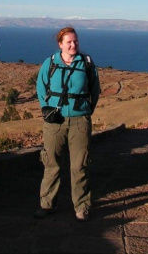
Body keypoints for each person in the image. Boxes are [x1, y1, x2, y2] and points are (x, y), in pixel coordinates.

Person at [34, 27, 100, 222]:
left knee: (80, 165)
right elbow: (41, 87)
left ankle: (82, 206)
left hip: (80, 120)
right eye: (69, 42)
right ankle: (47, 204)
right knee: (51, 163)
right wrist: (46, 109)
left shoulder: (86, 63)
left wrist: (86, 111)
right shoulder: (50, 63)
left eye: (75, 41)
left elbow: (95, 90)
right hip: (55, 121)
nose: (73, 45)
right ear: (60, 44)